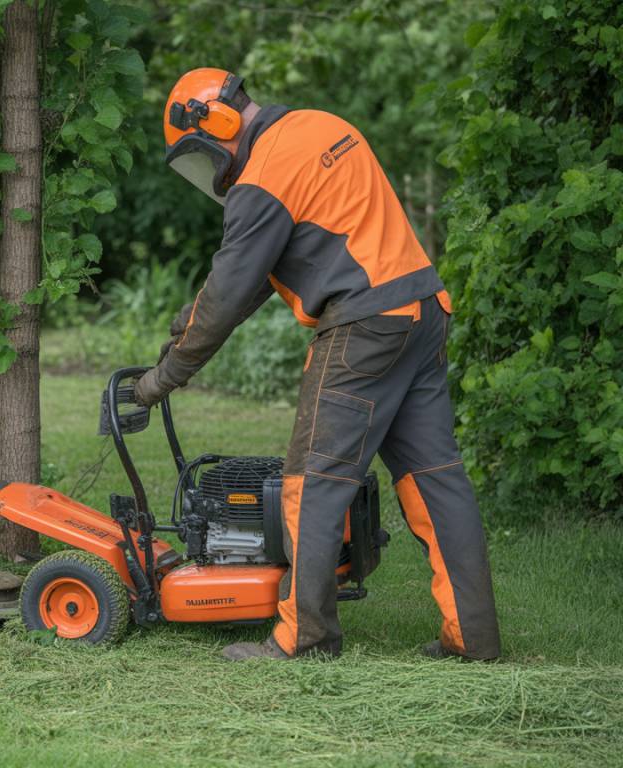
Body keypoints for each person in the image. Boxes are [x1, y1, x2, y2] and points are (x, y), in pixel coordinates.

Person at [133, 68, 501, 662]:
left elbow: (227, 292)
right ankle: (474, 638)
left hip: (364, 328)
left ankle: (304, 636)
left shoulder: (262, 176)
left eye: (202, 156)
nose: (213, 173)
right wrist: (183, 332)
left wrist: (163, 378)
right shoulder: (317, 127)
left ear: (219, 125)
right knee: (437, 481)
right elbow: (248, 282)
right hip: (420, 312)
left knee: (313, 485)